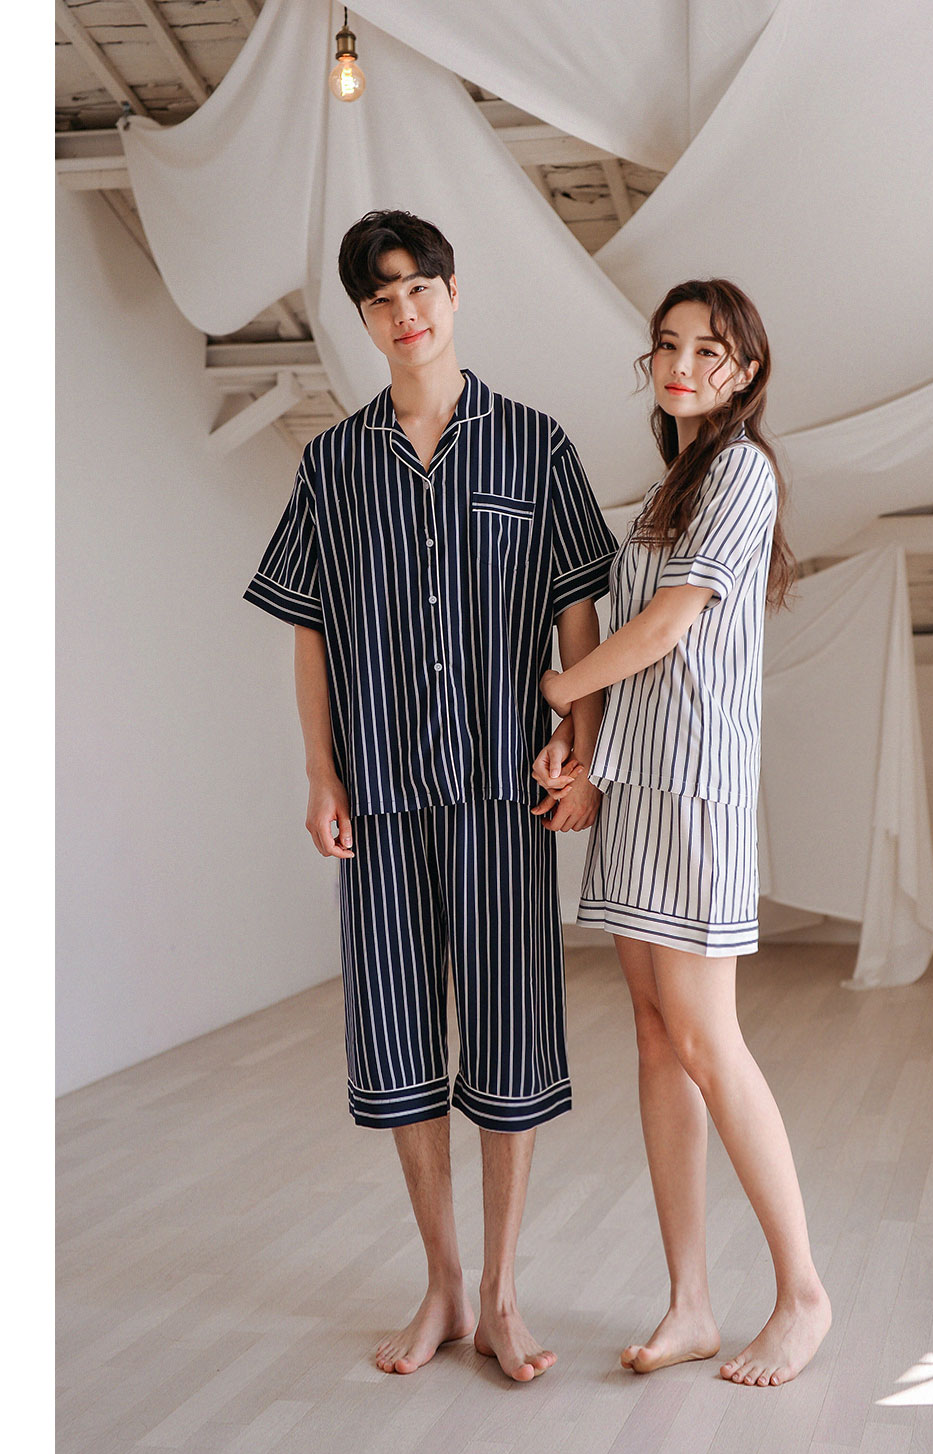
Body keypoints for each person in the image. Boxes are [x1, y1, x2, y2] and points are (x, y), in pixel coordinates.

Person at [244, 210, 615, 1383]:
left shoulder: (534, 445)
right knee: (397, 1042)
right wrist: (320, 772)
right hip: (381, 799)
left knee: (509, 1041)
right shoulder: (332, 465)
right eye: (381, 297)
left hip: (504, 793)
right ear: (362, 318)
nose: (405, 312)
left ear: (453, 294)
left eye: (420, 288)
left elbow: (576, 612)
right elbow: (307, 626)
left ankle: (502, 1291)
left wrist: (580, 745)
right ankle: (443, 1284)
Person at [536, 280, 832, 1386]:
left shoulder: (742, 470)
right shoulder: (673, 486)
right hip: (637, 785)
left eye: (709, 350)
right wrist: (578, 739)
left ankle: (802, 1294)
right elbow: (635, 635)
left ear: (745, 370)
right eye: (667, 345)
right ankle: (691, 1305)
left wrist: (558, 685)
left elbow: (666, 624)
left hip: (695, 788)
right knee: (658, 1041)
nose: (682, 364)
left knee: (709, 1042)